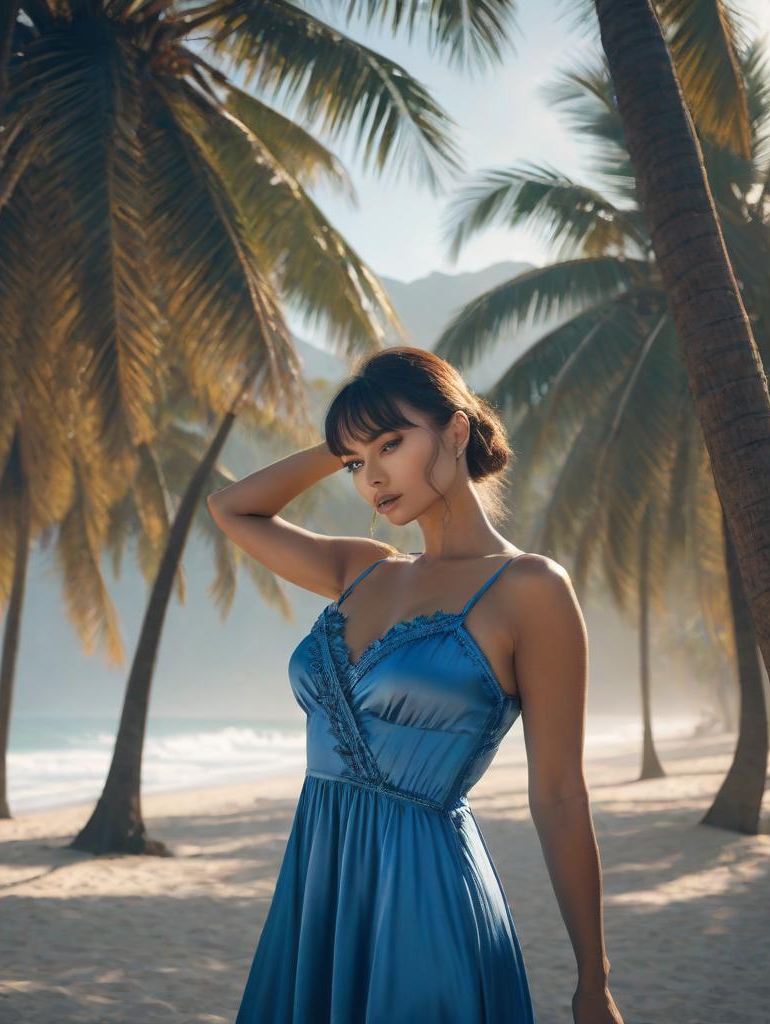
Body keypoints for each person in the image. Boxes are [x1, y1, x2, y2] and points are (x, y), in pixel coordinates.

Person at [207, 346, 623, 1024]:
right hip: (319, 891)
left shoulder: (531, 590)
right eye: (355, 465)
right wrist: (346, 439)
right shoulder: (363, 569)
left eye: (392, 445)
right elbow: (232, 509)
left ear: (456, 431)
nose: (371, 477)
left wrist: (591, 981)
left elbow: (558, 793)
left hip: (427, 896)